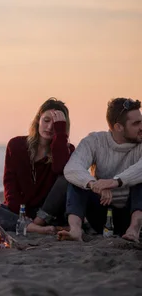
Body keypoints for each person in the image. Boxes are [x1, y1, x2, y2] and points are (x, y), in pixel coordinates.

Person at [58, 98, 142, 242]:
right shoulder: (95, 141)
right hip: (101, 213)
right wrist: (93, 185)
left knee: (140, 181)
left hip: (132, 213)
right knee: (78, 181)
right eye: (136, 124)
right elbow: (72, 168)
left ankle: (134, 230)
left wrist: (115, 182)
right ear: (118, 127)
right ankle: (75, 231)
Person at [0, 98, 75, 234]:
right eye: (46, 120)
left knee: (67, 177)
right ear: (37, 120)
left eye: (56, 124)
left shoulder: (66, 150)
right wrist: (21, 214)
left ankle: (35, 225)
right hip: (20, 212)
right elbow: (10, 185)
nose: (50, 127)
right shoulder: (16, 145)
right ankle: (32, 227)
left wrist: (60, 134)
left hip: (49, 214)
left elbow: (60, 170)